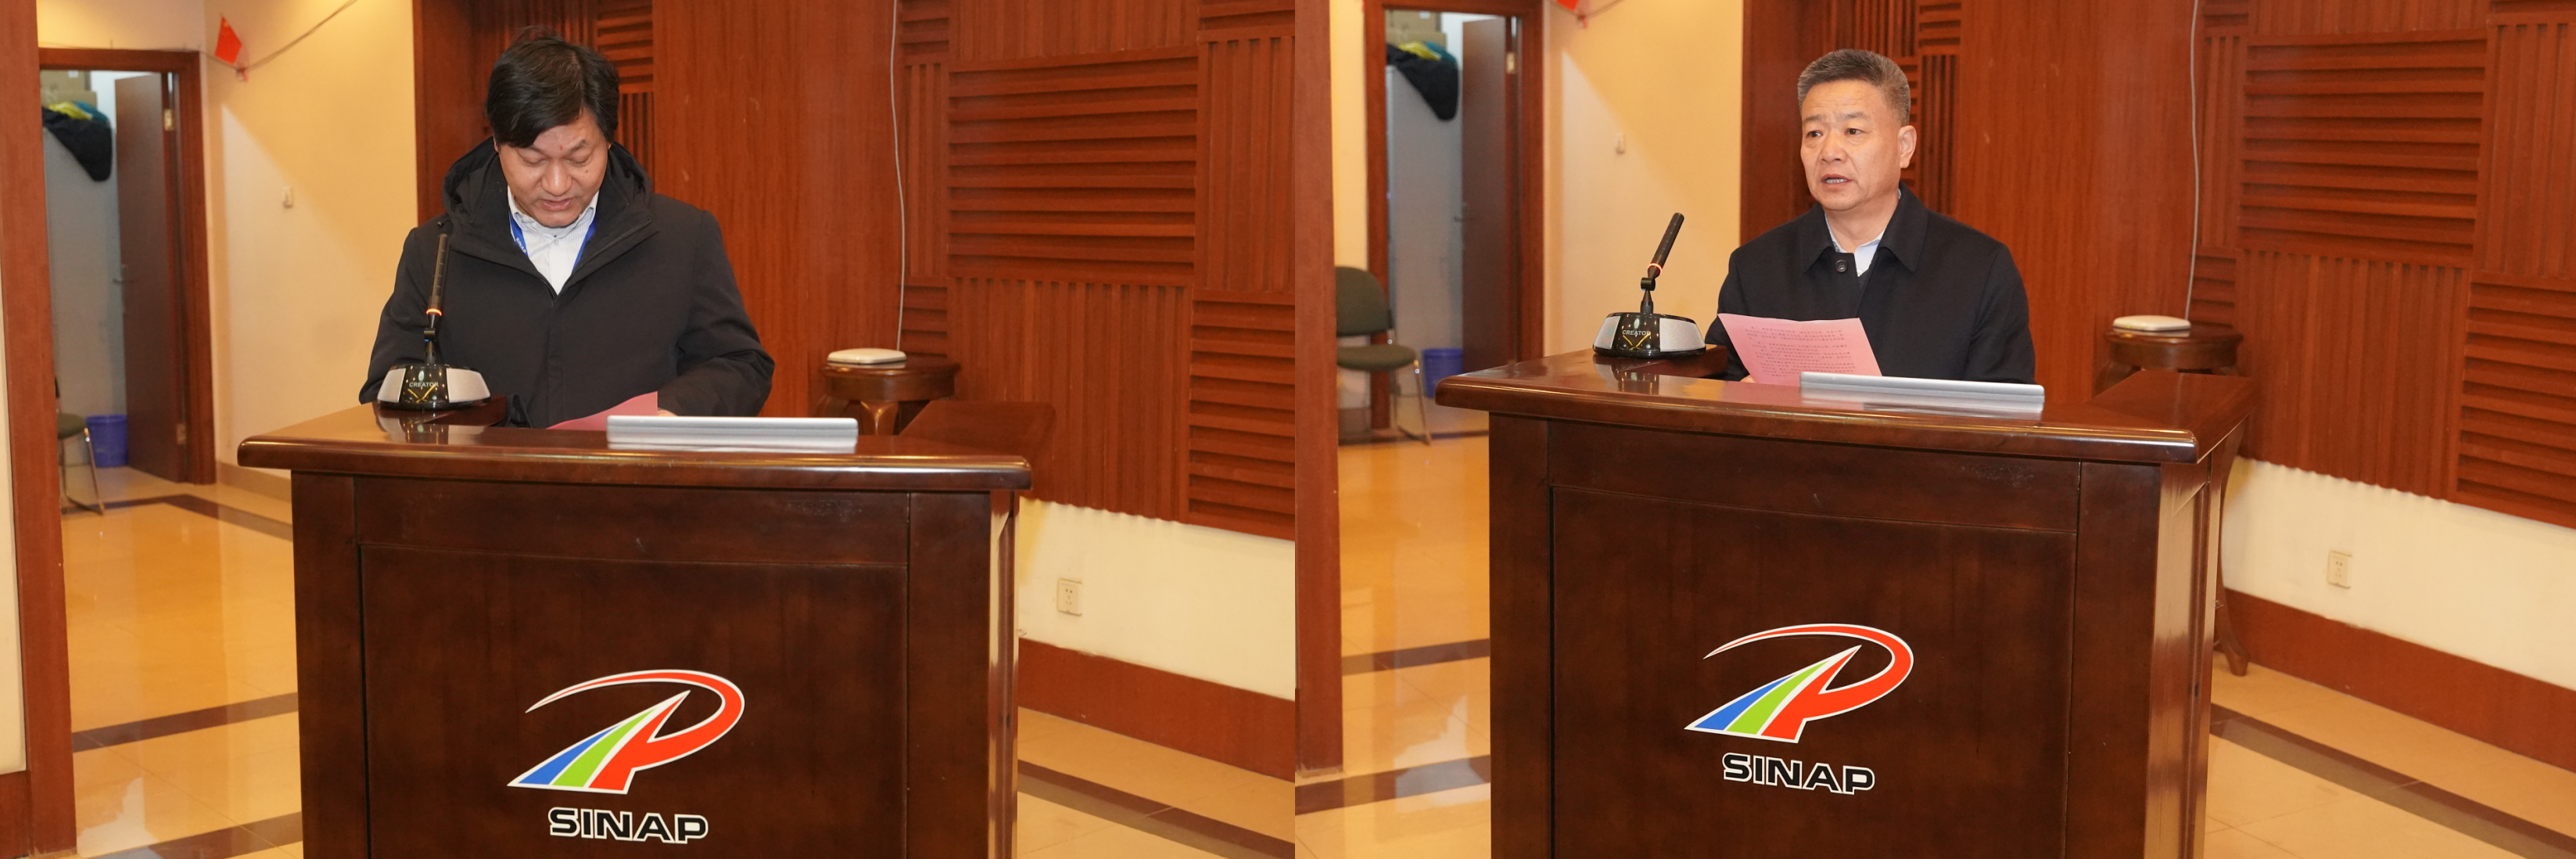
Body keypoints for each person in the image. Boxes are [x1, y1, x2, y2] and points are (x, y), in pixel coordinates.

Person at [361, 30, 772, 426]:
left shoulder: (683, 237)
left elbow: (740, 365)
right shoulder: (435, 250)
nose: (557, 185)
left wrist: (673, 411)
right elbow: (385, 390)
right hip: (491, 475)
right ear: (497, 144)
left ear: (608, 140)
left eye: (579, 158)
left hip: (637, 473)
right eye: (533, 160)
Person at [1706, 49, 2035, 384]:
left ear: (1904, 146)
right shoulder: (1757, 267)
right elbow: (1711, 389)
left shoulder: (1979, 270)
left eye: (1853, 131)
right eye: (1814, 133)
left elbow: (2001, 411)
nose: (1829, 152)